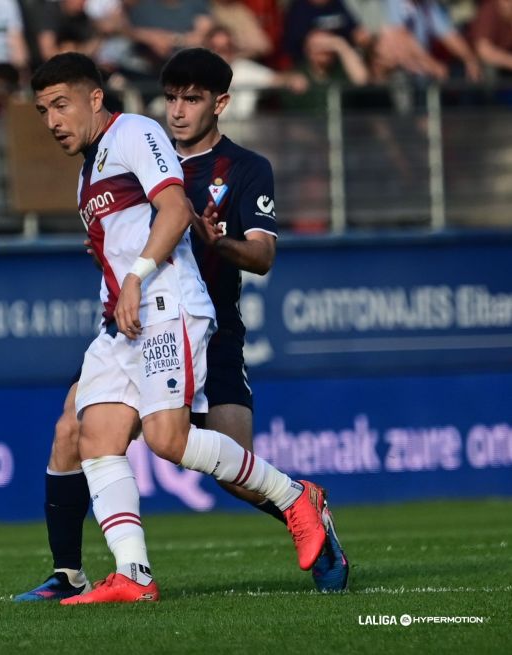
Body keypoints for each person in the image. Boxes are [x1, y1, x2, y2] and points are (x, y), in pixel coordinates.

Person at [20, 51, 338, 604]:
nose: (51, 121)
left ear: (96, 98)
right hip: (123, 320)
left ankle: (296, 498)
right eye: (44, 110)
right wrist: (120, 289)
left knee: (171, 441)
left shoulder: (136, 133)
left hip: (168, 303)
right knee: (90, 432)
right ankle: (130, 576)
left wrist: (139, 277)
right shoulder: (88, 172)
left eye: (61, 105)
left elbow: (172, 210)